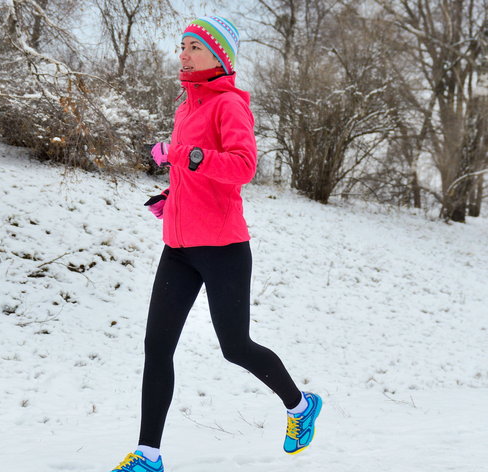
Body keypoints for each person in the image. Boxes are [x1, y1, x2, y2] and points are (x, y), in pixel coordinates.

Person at [110, 16, 322, 472]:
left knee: (235, 347)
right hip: (180, 247)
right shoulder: (185, 106)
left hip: (224, 248)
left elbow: (243, 166)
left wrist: (184, 155)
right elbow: (197, 175)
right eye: (182, 44)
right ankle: (148, 456)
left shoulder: (229, 105)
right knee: (157, 346)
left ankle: (301, 407)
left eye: (194, 46)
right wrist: (172, 198)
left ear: (219, 56)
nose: (183, 53)